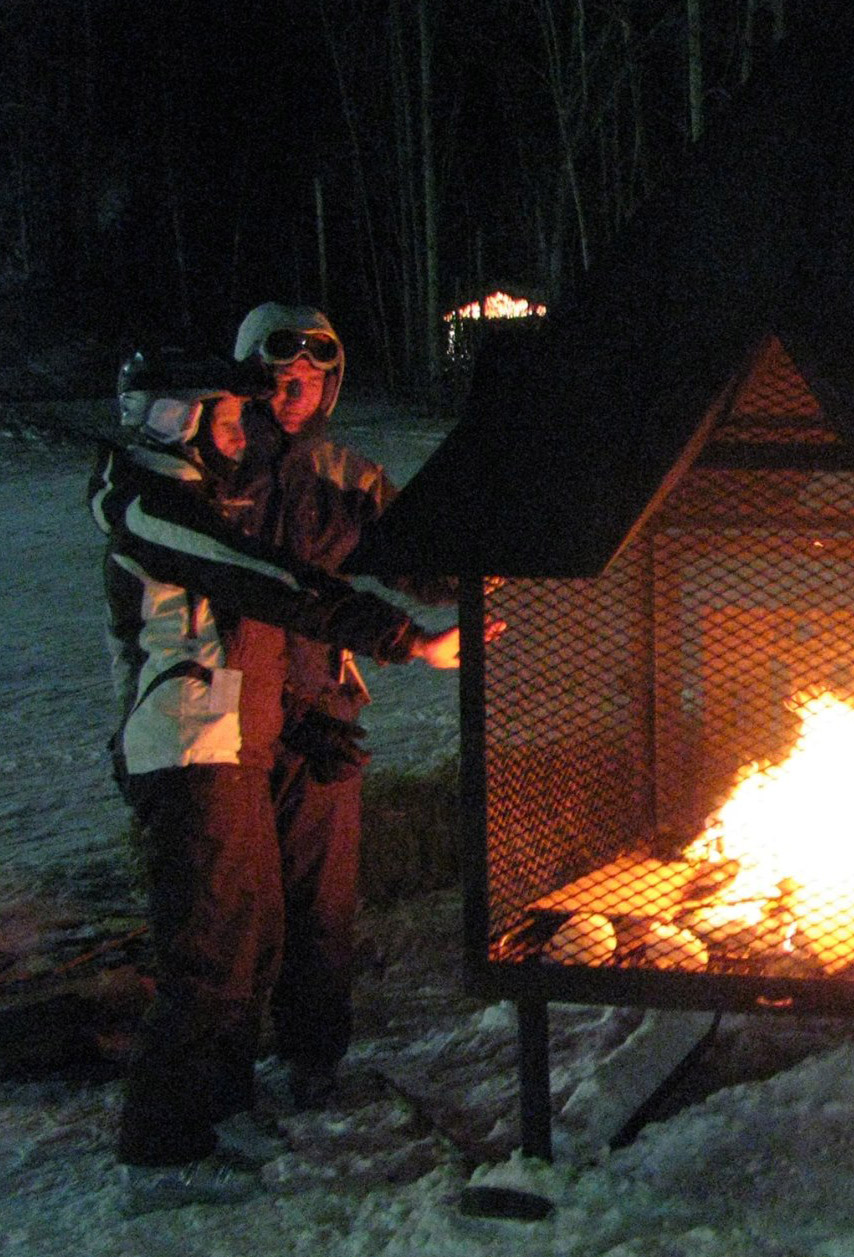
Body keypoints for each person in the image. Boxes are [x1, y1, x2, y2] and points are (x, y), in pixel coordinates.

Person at [92, 345, 460, 1209]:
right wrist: (402, 638)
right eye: (222, 416)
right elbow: (269, 581)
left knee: (248, 939)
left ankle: (218, 1110)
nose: (236, 429)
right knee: (209, 951)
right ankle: (158, 1152)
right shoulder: (151, 507)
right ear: (176, 422)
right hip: (185, 749)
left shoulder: (189, 499)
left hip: (230, 744)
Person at [230, 302, 461, 1109]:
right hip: (224, 717)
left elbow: (419, 554)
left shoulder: (344, 476)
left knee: (321, 904)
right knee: (235, 905)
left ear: (331, 385)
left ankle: (311, 1062)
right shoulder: (211, 468)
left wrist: (490, 561)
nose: (296, 388)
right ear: (250, 375)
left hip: (321, 714)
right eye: (281, 374)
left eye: (313, 376)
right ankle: (222, 1073)